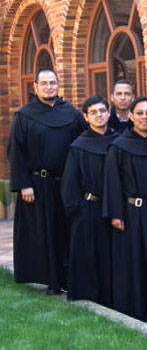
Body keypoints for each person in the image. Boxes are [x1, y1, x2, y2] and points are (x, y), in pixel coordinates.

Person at [7, 69, 87, 295]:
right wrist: (23, 184)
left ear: (58, 85)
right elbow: (16, 152)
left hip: (67, 183)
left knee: (67, 231)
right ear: (36, 87)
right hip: (37, 184)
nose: (49, 87)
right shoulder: (24, 115)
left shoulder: (71, 113)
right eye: (44, 83)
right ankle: (50, 280)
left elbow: (85, 142)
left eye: (53, 83)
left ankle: (69, 278)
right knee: (46, 234)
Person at [103, 97, 147, 321]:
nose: (145, 117)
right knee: (135, 261)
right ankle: (137, 308)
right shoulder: (119, 145)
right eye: (140, 113)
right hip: (131, 213)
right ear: (132, 116)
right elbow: (112, 181)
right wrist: (116, 214)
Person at [61, 95, 117, 306]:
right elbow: (69, 182)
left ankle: (112, 297)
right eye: (93, 112)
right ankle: (89, 297)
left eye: (102, 111)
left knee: (112, 255)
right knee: (89, 254)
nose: (99, 115)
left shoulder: (118, 141)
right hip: (88, 208)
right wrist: (78, 208)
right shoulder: (79, 146)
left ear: (108, 113)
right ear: (86, 117)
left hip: (114, 208)